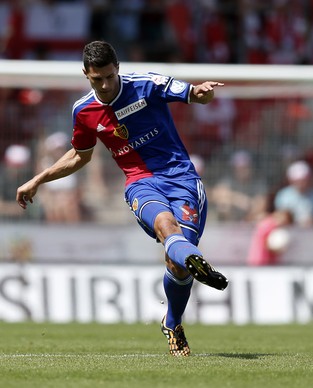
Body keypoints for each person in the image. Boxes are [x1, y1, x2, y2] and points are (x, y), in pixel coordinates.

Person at [15, 41, 227, 357]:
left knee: (176, 263)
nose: (103, 85)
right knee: (167, 227)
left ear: (118, 69)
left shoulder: (147, 84)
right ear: (86, 75)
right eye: (95, 79)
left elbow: (194, 94)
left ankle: (173, 319)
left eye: (109, 77)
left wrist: (204, 93)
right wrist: (38, 178)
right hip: (140, 184)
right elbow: (79, 156)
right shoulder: (84, 111)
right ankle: (194, 260)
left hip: (181, 179)